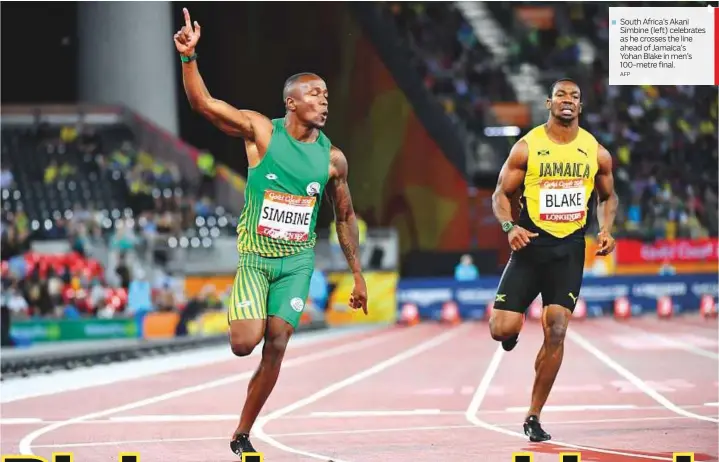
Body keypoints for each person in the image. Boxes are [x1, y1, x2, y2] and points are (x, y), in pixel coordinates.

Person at [173, 9, 369, 458]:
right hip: (256, 258)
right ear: (291, 103)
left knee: (277, 341)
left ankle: (242, 432)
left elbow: (344, 216)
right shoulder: (261, 132)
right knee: (245, 343)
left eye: (325, 94)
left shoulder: (332, 159)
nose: (324, 100)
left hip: (297, 262)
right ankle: (246, 318)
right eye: (314, 94)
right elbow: (205, 105)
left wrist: (356, 274)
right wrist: (189, 59)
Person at [488, 78, 618, 442]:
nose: (567, 101)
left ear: (580, 107)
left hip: (569, 249)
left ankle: (533, 414)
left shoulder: (595, 152)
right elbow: (501, 193)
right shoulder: (527, 147)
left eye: (574, 96)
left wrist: (605, 228)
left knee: (557, 329)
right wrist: (509, 225)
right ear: (548, 103)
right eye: (561, 95)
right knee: (502, 329)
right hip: (530, 246)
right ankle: (510, 335)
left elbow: (608, 197)